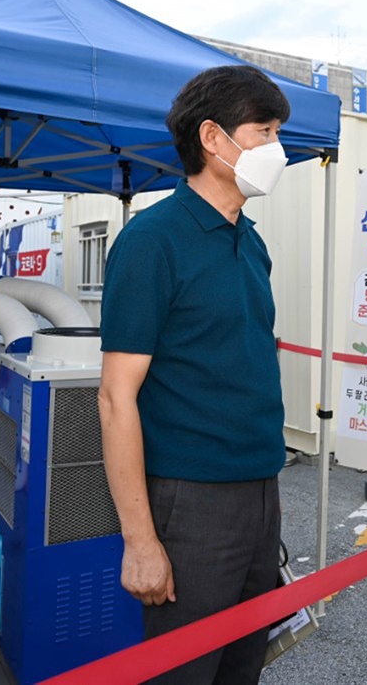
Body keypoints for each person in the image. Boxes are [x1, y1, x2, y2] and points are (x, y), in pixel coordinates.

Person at [99, 65, 291, 685]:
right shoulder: (153, 240)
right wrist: (140, 540)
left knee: (242, 666)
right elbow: (114, 398)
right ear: (213, 138)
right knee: (183, 672)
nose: (277, 150)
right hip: (192, 500)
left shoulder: (251, 241)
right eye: (264, 131)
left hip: (261, 487)